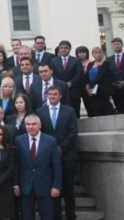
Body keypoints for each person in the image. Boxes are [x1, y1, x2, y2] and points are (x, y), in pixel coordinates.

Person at [36, 85, 78, 220]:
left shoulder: (70, 111)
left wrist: (61, 148)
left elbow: (73, 133)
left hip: (67, 156)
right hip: (49, 157)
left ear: (60, 96)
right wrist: (52, 151)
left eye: (55, 94)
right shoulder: (40, 112)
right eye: (50, 94)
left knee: (68, 188)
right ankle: (56, 216)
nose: (52, 96)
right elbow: (40, 133)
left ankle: (71, 215)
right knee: (53, 188)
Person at [13, 115, 62, 220]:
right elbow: (16, 164)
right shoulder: (18, 140)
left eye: (33, 124)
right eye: (28, 124)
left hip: (45, 187)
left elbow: (56, 165)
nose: (30, 127)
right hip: (25, 186)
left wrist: (56, 186)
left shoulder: (50, 141)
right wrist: (16, 184)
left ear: (40, 125)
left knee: (47, 216)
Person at [84, 47, 114, 117]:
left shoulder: (106, 63)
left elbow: (101, 76)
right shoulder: (90, 64)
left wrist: (90, 85)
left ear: (103, 53)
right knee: (95, 109)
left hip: (102, 89)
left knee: (105, 108)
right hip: (92, 90)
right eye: (96, 53)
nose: (98, 54)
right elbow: (87, 76)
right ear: (93, 54)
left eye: (100, 52)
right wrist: (87, 86)